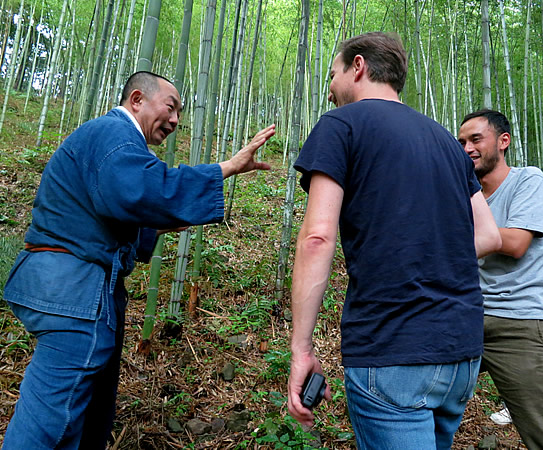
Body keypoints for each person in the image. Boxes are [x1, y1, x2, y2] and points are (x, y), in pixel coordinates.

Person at [2, 71, 275, 449]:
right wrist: (225, 168)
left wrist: (169, 220)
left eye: (180, 111)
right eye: (171, 106)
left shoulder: (108, 142)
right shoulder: (116, 136)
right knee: (51, 424)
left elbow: (126, 215)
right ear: (137, 100)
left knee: (78, 419)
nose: (176, 119)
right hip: (74, 294)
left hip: (66, 288)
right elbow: (146, 192)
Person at [286, 32, 501, 449]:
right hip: (461, 350)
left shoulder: (340, 126)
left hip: (392, 349)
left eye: (333, 74)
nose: (330, 88)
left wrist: (301, 350)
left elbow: (317, 236)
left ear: (358, 66)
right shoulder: (445, 140)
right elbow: (488, 235)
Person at [457, 109, 543, 449]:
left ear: (503, 141)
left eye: (476, 139)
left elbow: (515, 243)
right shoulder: (466, 195)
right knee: (423, 397)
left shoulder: (528, 181)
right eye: (461, 141)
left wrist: (445, 243)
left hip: (524, 322)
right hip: (469, 315)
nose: (467, 148)